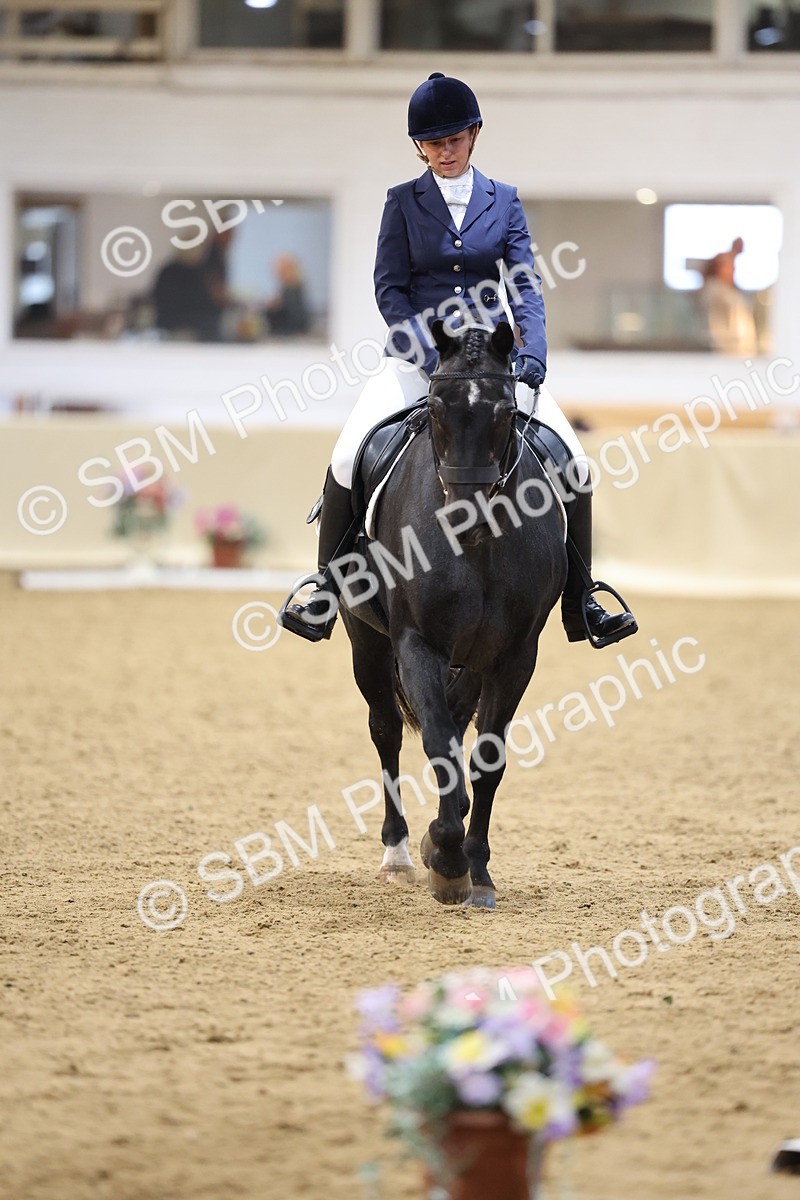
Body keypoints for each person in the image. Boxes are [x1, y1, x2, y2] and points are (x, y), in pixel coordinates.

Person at [282, 72, 636, 647]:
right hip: (418, 362)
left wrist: (532, 357)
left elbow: (525, 287)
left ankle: (582, 601)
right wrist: (426, 357)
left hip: (493, 362)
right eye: (433, 143)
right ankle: (324, 591)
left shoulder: (506, 201)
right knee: (347, 456)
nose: (445, 152)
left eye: (454, 140)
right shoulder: (401, 203)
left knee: (576, 464)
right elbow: (390, 290)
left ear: (474, 135)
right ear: (419, 146)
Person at [700, 237, 757, 356]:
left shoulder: (729, 293)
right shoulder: (716, 293)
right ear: (719, 269)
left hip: (738, 351)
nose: (733, 270)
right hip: (727, 351)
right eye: (729, 267)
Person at [265, 254, 312, 336]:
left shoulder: (293, 292)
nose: (278, 274)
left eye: (282, 270)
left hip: (290, 338)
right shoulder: (286, 291)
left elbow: (296, 321)